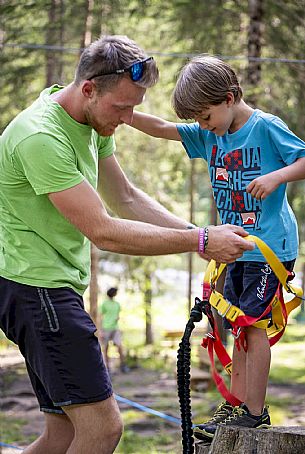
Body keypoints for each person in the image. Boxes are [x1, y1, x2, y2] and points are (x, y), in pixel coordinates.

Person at [0, 38, 254, 453]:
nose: (128, 117)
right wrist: (201, 238)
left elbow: (127, 198)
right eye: (121, 108)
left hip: (47, 287)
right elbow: (105, 230)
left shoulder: (89, 122)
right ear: (88, 89)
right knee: (103, 429)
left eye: (134, 106)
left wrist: (198, 238)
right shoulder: (40, 137)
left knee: (63, 434)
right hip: (36, 290)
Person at [130, 54, 305, 440]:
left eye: (205, 116)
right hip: (232, 248)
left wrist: (277, 176)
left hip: (268, 248)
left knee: (253, 327)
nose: (201, 126)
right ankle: (237, 406)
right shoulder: (211, 132)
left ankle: (255, 413)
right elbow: (161, 127)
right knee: (235, 326)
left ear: (229, 98)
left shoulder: (266, 127)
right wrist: (122, 112)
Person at [99, 287, 128, 374]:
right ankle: (107, 367)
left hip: (115, 328)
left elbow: (118, 315)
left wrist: (117, 319)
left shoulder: (117, 304)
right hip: (106, 328)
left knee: (119, 346)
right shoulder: (104, 303)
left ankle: (123, 365)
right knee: (106, 348)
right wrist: (100, 330)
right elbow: (100, 317)